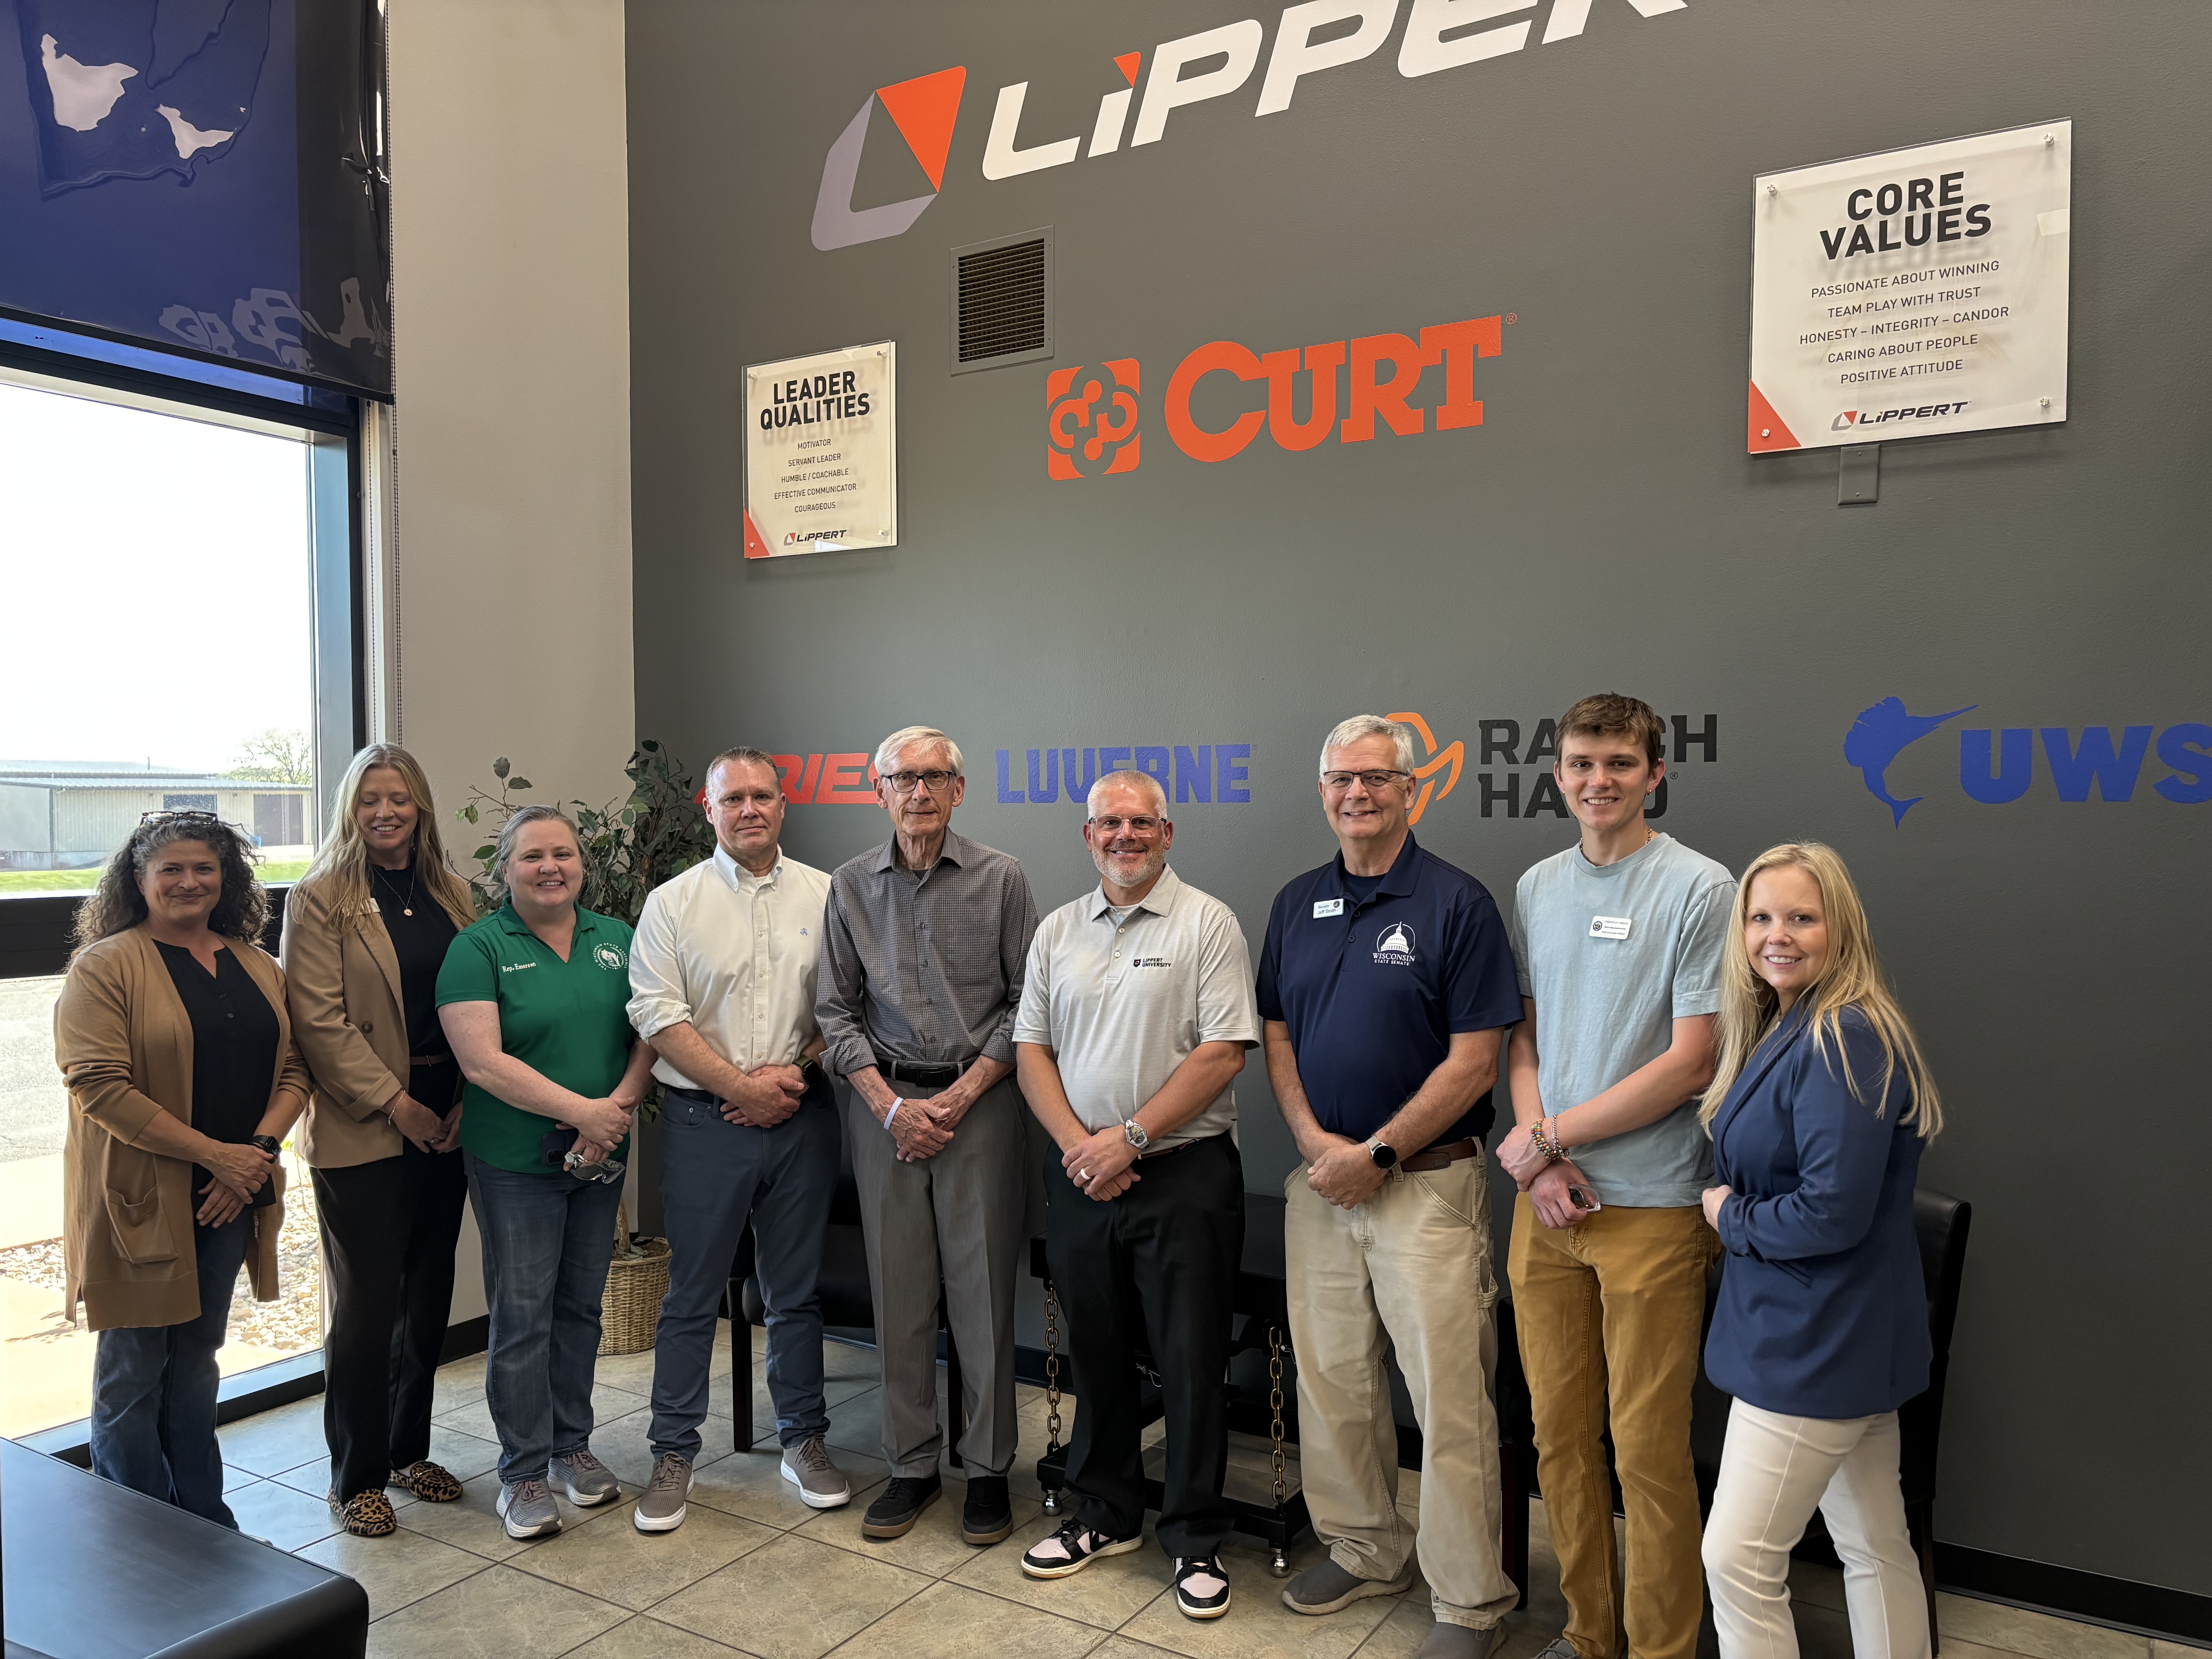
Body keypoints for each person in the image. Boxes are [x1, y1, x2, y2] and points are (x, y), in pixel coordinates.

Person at [1260, 716, 1524, 1659]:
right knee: (1334, 1383)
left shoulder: (1457, 902)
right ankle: (1367, 1549)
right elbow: (1278, 1032)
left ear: (1412, 790)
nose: (1358, 793)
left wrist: (1374, 1155)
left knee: (1450, 1402)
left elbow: (1476, 1059)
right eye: (1342, 778)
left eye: (1377, 777)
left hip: (1427, 1186)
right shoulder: (1296, 902)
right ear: (1322, 791)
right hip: (1320, 1185)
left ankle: (1470, 1601)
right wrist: (1313, 1143)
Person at [1494, 692, 1735, 1659]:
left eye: (1621, 764)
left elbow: (1692, 1062)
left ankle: (1662, 1647)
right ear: (1558, 776)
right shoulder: (1536, 886)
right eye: (1583, 765)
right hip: (1548, 1209)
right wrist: (1540, 1158)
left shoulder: (1702, 887)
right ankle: (1589, 1634)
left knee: (1648, 1452)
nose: (1600, 781)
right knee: (1560, 1441)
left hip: (1654, 1207)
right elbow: (1524, 1037)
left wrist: (1547, 1140)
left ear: (1655, 774)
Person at [1013, 769, 1259, 1620]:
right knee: (1098, 1351)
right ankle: (1104, 1513)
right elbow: (1032, 1050)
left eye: (1141, 823)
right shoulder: (1057, 930)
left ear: (1167, 832)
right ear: (1089, 836)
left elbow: (1224, 1051)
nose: (1125, 836)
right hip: (1082, 1172)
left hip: (1183, 1172)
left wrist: (1132, 1138)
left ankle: (1193, 1536)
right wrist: (1083, 1150)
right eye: (1109, 824)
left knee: (1190, 1360)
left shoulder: (1208, 922)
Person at [1698, 844, 1943, 1659]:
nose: (1778, 935)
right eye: (1762, 917)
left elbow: (1830, 1215)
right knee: (1875, 1546)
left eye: (1802, 918)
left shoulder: (1846, 1035)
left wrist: (1730, 1216)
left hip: (1813, 1343)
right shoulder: (1794, 1021)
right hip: (1836, 1336)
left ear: (1841, 928)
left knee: (1736, 1560)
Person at [816, 725, 1039, 1546]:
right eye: (903, 779)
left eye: (936, 777)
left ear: (959, 790)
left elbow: (1028, 1003)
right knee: (899, 1295)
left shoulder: (1002, 878)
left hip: (981, 1105)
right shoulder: (849, 886)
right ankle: (910, 1466)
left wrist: (962, 1094)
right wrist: (889, 1108)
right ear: (879, 791)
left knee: (983, 1299)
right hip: (885, 1111)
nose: (919, 792)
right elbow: (835, 1012)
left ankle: (987, 1471)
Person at [55, 812, 309, 1526]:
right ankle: (142, 1533)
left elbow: (296, 1067)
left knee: (197, 1362)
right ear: (139, 880)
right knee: (134, 1371)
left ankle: (202, 1520)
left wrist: (252, 1158)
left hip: (230, 1196)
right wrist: (217, 1158)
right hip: (141, 1200)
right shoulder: (105, 966)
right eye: (171, 869)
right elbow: (98, 1084)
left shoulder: (256, 965)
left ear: (226, 879)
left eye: (204, 868)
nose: (189, 882)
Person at [625, 746, 847, 1532]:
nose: (749, 809)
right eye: (733, 799)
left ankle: (803, 1439)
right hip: (702, 1125)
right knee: (691, 1296)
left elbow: (849, 1007)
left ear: (783, 805)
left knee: (794, 1293)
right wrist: (738, 1088)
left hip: (802, 1119)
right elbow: (657, 1014)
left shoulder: (830, 895)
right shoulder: (672, 903)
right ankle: (673, 1453)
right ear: (709, 809)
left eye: (762, 796)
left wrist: (789, 1078)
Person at [436, 805, 655, 1540]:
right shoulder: (478, 948)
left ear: (582, 865)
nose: (550, 867)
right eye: (532, 856)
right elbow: (482, 1062)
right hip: (514, 1163)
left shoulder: (616, 939)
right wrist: (584, 1114)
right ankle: (523, 1473)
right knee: (524, 1316)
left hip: (602, 1154)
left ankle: (571, 1448)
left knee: (581, 1310)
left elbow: (651, 1032)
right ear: (505, 869)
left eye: (563, 854)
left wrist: (613, 1114)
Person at [282, 744, 477, 1537]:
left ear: (420, 806)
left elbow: (480, 997)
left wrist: (464, 1100)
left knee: (428, 1293)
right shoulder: (321, 897)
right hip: (368, 1120)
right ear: (350, 810)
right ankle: (356, 1476)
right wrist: (400, 1106)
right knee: (367, 1303)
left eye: (399, 798)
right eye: (370, 800)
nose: (385, 813)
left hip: (450, 1112)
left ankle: (406, 1450)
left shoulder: (453, 892)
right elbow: (319, 1023)